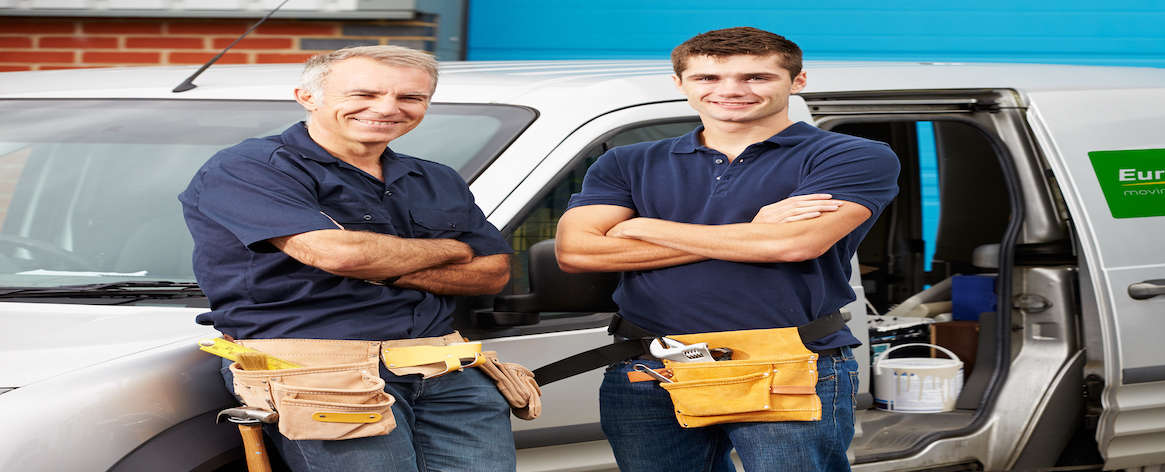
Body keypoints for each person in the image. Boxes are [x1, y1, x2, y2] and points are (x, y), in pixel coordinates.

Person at [554, 27, 901, 472]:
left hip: (787, 360)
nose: (731, 91)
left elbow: (794, 243)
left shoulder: (851, 155)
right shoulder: (627, 161)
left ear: (797, 81)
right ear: (679, 84)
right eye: (708, 79)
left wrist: (642, 227)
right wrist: (750, 233)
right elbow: (578, 253)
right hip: (649, 366)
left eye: (756, 77)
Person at [179, 45, 517, 472]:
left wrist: (381, 265)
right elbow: (338, 254)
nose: (388, 108)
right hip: (319, 373)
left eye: (411, 98)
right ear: (307, 97)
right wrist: (455, 249)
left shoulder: (436, 178)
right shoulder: (249, 168)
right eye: (364, 94)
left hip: (444, 369)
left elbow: (493, 273)